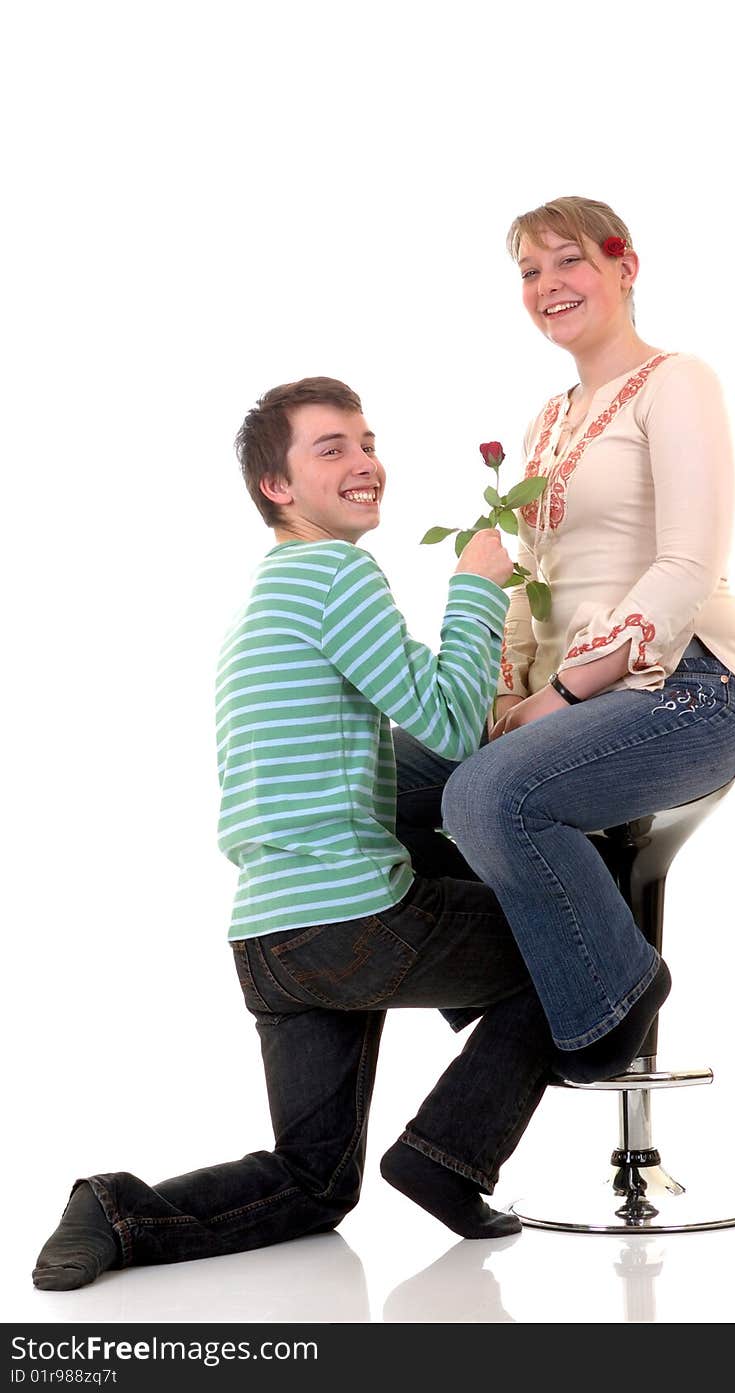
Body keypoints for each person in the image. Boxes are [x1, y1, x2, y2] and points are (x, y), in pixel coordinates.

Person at [33, 376, 566, 1292]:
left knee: (313, 1183)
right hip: (351, 919)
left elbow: (403, 739)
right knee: (576, 952)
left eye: (367, 440)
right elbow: (444, 719)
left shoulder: (267, 599)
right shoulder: (332, 573)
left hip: (271, 939)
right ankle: (450, 1155)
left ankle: (116, 1210)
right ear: (276, 487)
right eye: (332, 449)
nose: (364, 462)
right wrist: (477, 590)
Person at [394, 196, 735, 1076]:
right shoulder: (549, 421)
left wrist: (558, 698)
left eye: (568, 261)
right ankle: (533, 978)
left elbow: (683, 568)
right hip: (566, 707)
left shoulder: (680, 382)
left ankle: (612, 1001)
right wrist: (496, 700)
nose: (548, 285)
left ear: (624, 265)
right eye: (529, 270)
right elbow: (533, 581)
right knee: (384, 786)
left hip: (688, 690)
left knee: (488, 796)